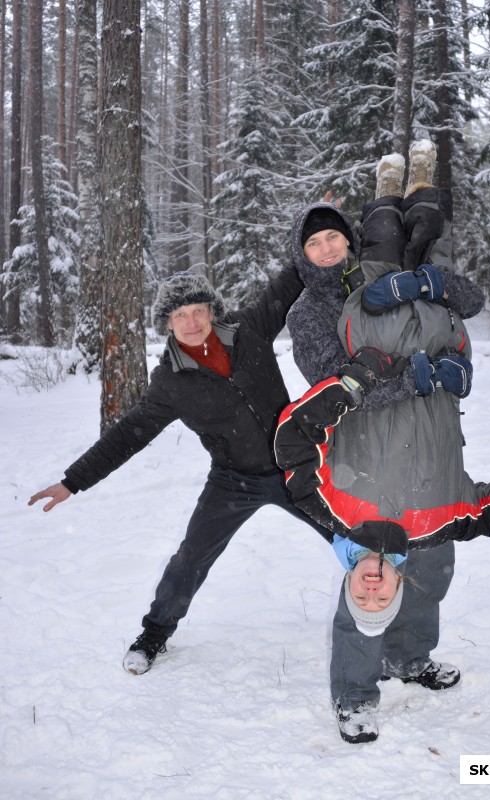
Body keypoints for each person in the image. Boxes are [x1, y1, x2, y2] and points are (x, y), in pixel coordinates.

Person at [280, 141, 490, 743]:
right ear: (302, 255)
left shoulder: (374, 277)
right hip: (368, 463)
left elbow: (462, 309)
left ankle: (408, 657)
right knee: (370, 581)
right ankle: (355, 694)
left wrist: (431, 291)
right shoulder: (310, 310)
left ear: (351, 242)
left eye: (335, 238)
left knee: (432, 568)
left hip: (432, 452)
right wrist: (416, 376)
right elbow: (335, 386)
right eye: (315, 242)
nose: (328, 248)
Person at [28, 267, 335, 676]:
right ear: (167, 324)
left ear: (212, 310)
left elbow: (290, 281)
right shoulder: (170, 382)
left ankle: (386, 619)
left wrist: (314, 229)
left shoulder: (251, 329)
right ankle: (154, 633)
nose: (191, 322)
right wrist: (73, 481)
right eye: (179, 315)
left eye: (197, 310)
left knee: (354, 537)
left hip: (296, 468)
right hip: (233, 479)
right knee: (191, 557)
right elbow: (126, 436)